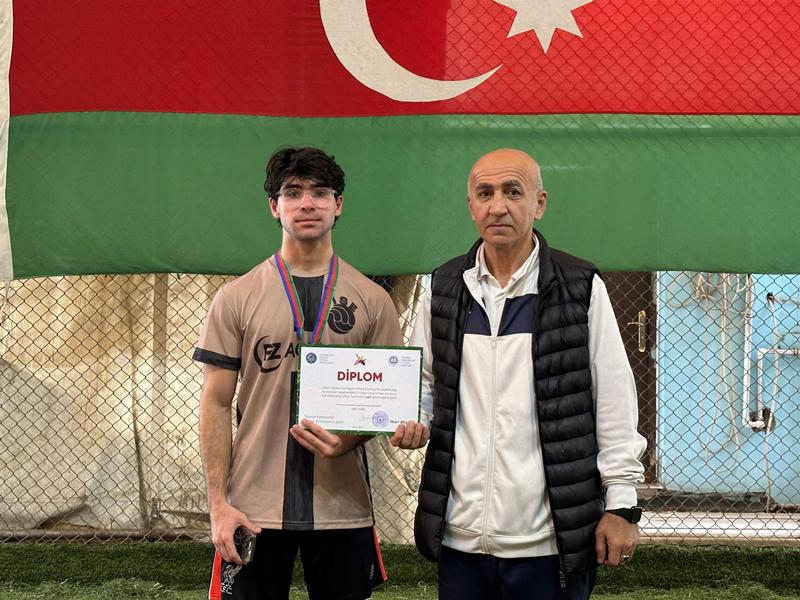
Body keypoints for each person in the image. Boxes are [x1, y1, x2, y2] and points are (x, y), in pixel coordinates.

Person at [194, 146, 428, 600]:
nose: (307, 203)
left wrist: (351, 439)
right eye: (293, 192)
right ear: (274, 206)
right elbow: (215, 402)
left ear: (338, 204)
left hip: (344, 507)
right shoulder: (235, 298)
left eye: (320, 192)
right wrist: (218, 505)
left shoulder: (372, 301)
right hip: (252, 507)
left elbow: (385, 403)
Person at [411, 148, 646, 599]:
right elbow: (423, 383)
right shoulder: (443, 287)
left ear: (539, 203)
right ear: (471, 206)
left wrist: (622, 503)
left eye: (512, 192)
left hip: (548, 543)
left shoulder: (580, 287)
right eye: (485, 193)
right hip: (460, 540)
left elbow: (614, 398)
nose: (498, 206)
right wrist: (412, 421)